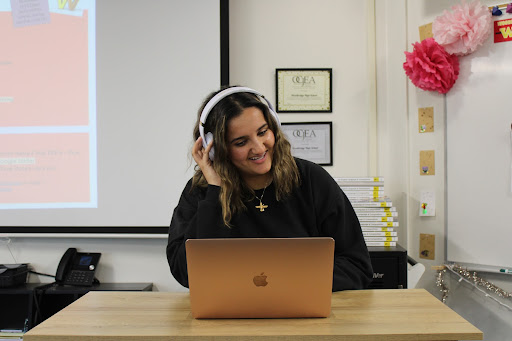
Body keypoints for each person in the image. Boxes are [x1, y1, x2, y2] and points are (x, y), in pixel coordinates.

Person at [166, 86, 373, 291]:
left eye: (262, 132)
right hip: (230, 317)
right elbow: (186, 273)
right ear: (215, 148)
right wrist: (216, 191)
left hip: (301, 313)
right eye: (241, 142)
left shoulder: (311, 179)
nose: (259, 148)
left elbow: (357, 267)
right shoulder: (203, 190)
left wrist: (288, 283)